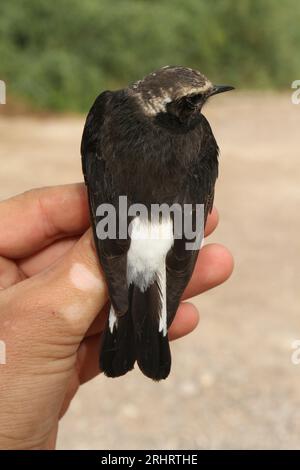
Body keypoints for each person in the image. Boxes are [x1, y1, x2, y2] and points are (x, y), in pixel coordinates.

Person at [0, 183, 233, 449]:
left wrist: (112, 246)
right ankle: (148, 328)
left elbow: (104, 201)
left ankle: (132, 326)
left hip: (117, 223)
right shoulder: (199, 140)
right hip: (167, 228)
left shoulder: (102, 138)